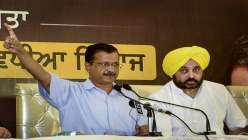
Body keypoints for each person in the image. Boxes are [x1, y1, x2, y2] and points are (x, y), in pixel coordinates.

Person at [3, 23, 148, 136]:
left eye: (115, 64)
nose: (111, 69)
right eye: (104, 64)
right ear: (88, 66)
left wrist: (145, 133)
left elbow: (144, 130)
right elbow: (41, 75)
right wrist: (20, 51)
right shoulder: (71, 91)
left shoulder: (130, 96)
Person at [149, 46, 248, 136]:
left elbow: (238, 127)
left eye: (196, 70)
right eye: (184, 70)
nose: (191, 76)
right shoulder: (159, 98)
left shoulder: (219, 91)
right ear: (173, 73)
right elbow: (163, 137)